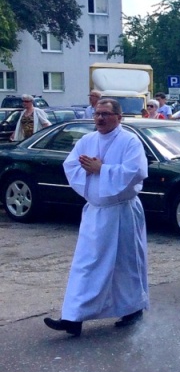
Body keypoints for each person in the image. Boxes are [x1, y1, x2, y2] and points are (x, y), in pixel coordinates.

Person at [43, 98, 149, 336]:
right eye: (97, 113)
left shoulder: (129, 141)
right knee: (87, 263)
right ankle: (73, 317)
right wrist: (89, 175)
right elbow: (70, 165)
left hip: (122, 211)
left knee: (126, 262)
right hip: (97, 212)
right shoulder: (87, 140)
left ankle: (133, 309)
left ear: (119, 117)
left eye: (105, 114)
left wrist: (103, 169)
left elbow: (138, 171)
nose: (99, 118)